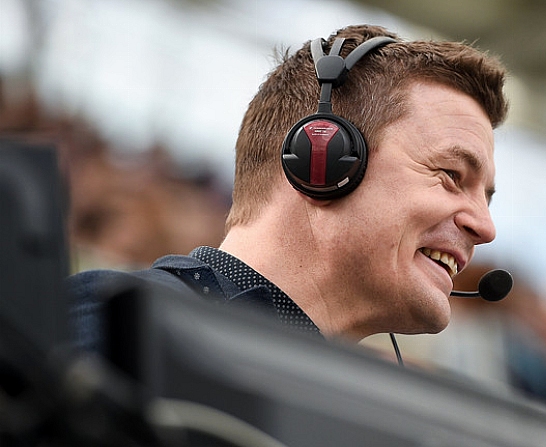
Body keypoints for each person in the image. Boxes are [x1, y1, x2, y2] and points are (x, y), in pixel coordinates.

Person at [67, 24, 509, 352]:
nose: (485, 227)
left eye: (485, 198)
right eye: (452, 176)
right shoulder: (114, 327)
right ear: (325, 159)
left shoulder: (343, 405)